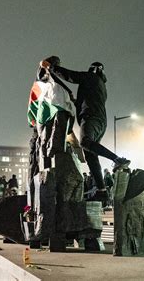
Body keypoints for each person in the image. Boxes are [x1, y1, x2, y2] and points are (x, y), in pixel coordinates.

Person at [41, 59, 130, 202]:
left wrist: (51, 67)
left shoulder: (91, 77)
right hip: (100, 121)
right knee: (90, 155)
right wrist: (76, 101)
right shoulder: (101, 85)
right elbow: (90, 99)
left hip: (90, 117)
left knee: (85, 142)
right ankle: (101, 191)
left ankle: (118, 159)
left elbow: (70, 76)